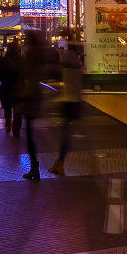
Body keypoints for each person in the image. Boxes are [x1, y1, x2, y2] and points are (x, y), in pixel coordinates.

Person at [48, 43, 83, 176]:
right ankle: (60, 162)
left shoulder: (68, 64)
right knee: (67, 134)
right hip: (74, 102)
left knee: (66, 135)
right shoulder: (77, 65)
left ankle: (60, 163)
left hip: (68, 103)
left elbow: (58, 75)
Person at [21, 30, 47, 182]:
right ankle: (35, 166)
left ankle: (35, 167)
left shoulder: (31, 55)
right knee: (31, 133)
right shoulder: (42, 54)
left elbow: (26, 74)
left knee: (30, 134)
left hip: (30, 96)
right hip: (36, 95)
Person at [0, 39, 23, 137]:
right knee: (17, 110)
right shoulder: (20, 59)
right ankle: (16, 129)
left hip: (6, 87)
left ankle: (7, 123)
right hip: (18, 88)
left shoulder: (3, 58)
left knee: (7, 108)